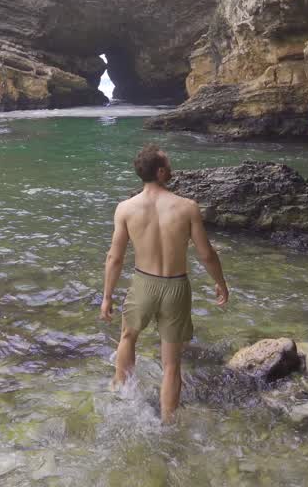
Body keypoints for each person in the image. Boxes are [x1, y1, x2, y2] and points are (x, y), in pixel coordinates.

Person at [99, 144, 229, 424]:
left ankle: (122, 392)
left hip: (143, 284)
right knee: (171, 364)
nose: (172, 169)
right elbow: (206, 254)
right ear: (159, 172)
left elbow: (115, 257)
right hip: (175, 287)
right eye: (168, 165)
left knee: (128, 338)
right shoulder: (187, 207)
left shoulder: (125, 208)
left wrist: (107, 296)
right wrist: (220, 283)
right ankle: (169, 422)